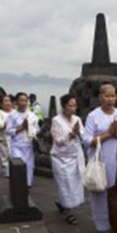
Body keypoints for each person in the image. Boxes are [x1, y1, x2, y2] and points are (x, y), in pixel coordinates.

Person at [83, 84, 117, 233]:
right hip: (100, 161)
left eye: (113, 96)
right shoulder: (93, 116)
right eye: (107, 96)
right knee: (100, 194)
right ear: (100, 97)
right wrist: (108, 134)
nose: (110, 99)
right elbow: (87, 141)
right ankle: (102, 228)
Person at [51, 94, 85, 225]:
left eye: (75, 105)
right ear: (64, 106)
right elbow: (58, 141)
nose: (73, 108)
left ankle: (63, 203)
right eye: (70, 105)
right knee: (64, 183)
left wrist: (79, 133)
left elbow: (83, 134)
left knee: (74, 183)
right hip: (60, 158)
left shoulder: (77, 119)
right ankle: (68, 211)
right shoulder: (56, 120)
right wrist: (71, 134)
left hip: (74, 156)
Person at [6, 92, 39, 186]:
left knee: (29, 168)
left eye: (25, 100)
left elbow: (37, 130)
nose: (24, 103)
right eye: (21, 100)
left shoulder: (32, 115)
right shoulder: (12, 115)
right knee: (19, 167)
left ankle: (27, 186)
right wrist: (21, 127)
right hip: (17, 146)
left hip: (28, 146)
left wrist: (31, 129)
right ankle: (18, 187)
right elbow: (8, 130)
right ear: (16, 102)